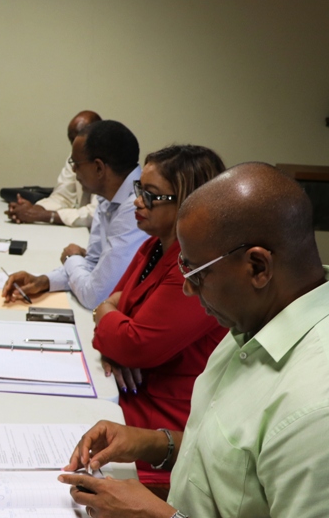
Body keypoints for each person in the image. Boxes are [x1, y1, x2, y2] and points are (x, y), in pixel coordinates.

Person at [59, 163, 329, 518]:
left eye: (197, 273)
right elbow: (241, 465)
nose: (188, 290)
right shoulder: (255, 321)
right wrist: (154, 443)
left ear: (258, 267)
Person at [90, 145, 227, 490]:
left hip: (162, 421)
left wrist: (109, 322)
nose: (138, 202)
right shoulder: (154, 246)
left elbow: (134, 342)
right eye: (139, 190)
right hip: (131, 392)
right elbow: (115, 309)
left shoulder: (196, 267)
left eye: (151, 195)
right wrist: (114, 336)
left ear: (189, 202)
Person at [3, 120, 148, 310]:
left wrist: (71, 259)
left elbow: (96, 296)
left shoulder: (137, 207)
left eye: (76, 163)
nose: (73, 170)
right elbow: (92, 266)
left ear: (99, 168)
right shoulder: (108, 196)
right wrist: (45, 280)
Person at [5, 110, 102, 227]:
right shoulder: (76, 156)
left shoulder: (109, 164)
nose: (74, 145)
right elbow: (63, 197)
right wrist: (32, 210)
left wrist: (42, 215)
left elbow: (96, 213)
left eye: (79, 140)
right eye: (72, 140)